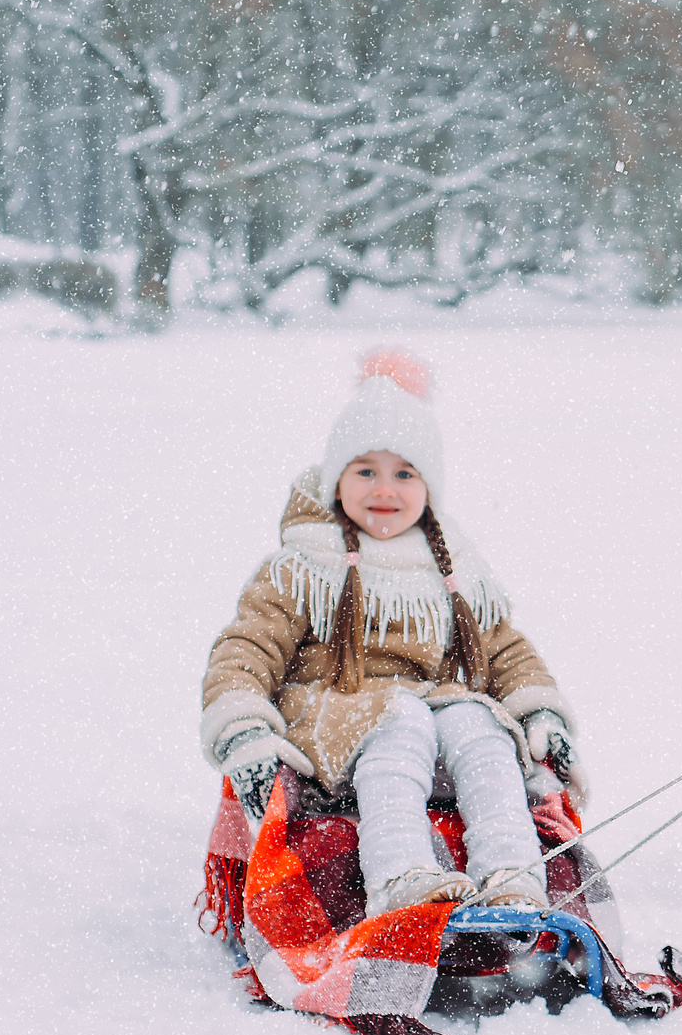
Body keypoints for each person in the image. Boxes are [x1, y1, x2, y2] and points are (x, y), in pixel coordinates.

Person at [201, 349, 583, 917]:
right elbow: (247, 649)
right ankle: (400, 875)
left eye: (405, 473)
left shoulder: (451, 566)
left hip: (435, 715)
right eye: (365, 471)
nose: (385, 489)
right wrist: (244, 729)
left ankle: (512, 874)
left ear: (429, 487)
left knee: (480, 725)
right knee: (399, 718)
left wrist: (540, 713)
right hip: (335, 723)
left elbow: (505, 649)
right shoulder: (303, 564)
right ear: (336, 480)